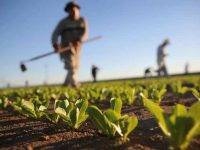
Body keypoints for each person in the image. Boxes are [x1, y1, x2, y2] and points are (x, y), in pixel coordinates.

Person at [51, 1, 88, 87]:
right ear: (68, 11)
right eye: (71, 9)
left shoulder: (82, 20)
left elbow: (85, 33)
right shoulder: (63, 22)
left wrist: (79, 40)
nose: (73, 11)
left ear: (78, 10)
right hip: (66, 48)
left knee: (75, 66)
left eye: (75, 9)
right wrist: (55, 44)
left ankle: (65, 84)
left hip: (77, 48)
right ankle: (75, 84)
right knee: (71, 66)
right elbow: (55, 34)